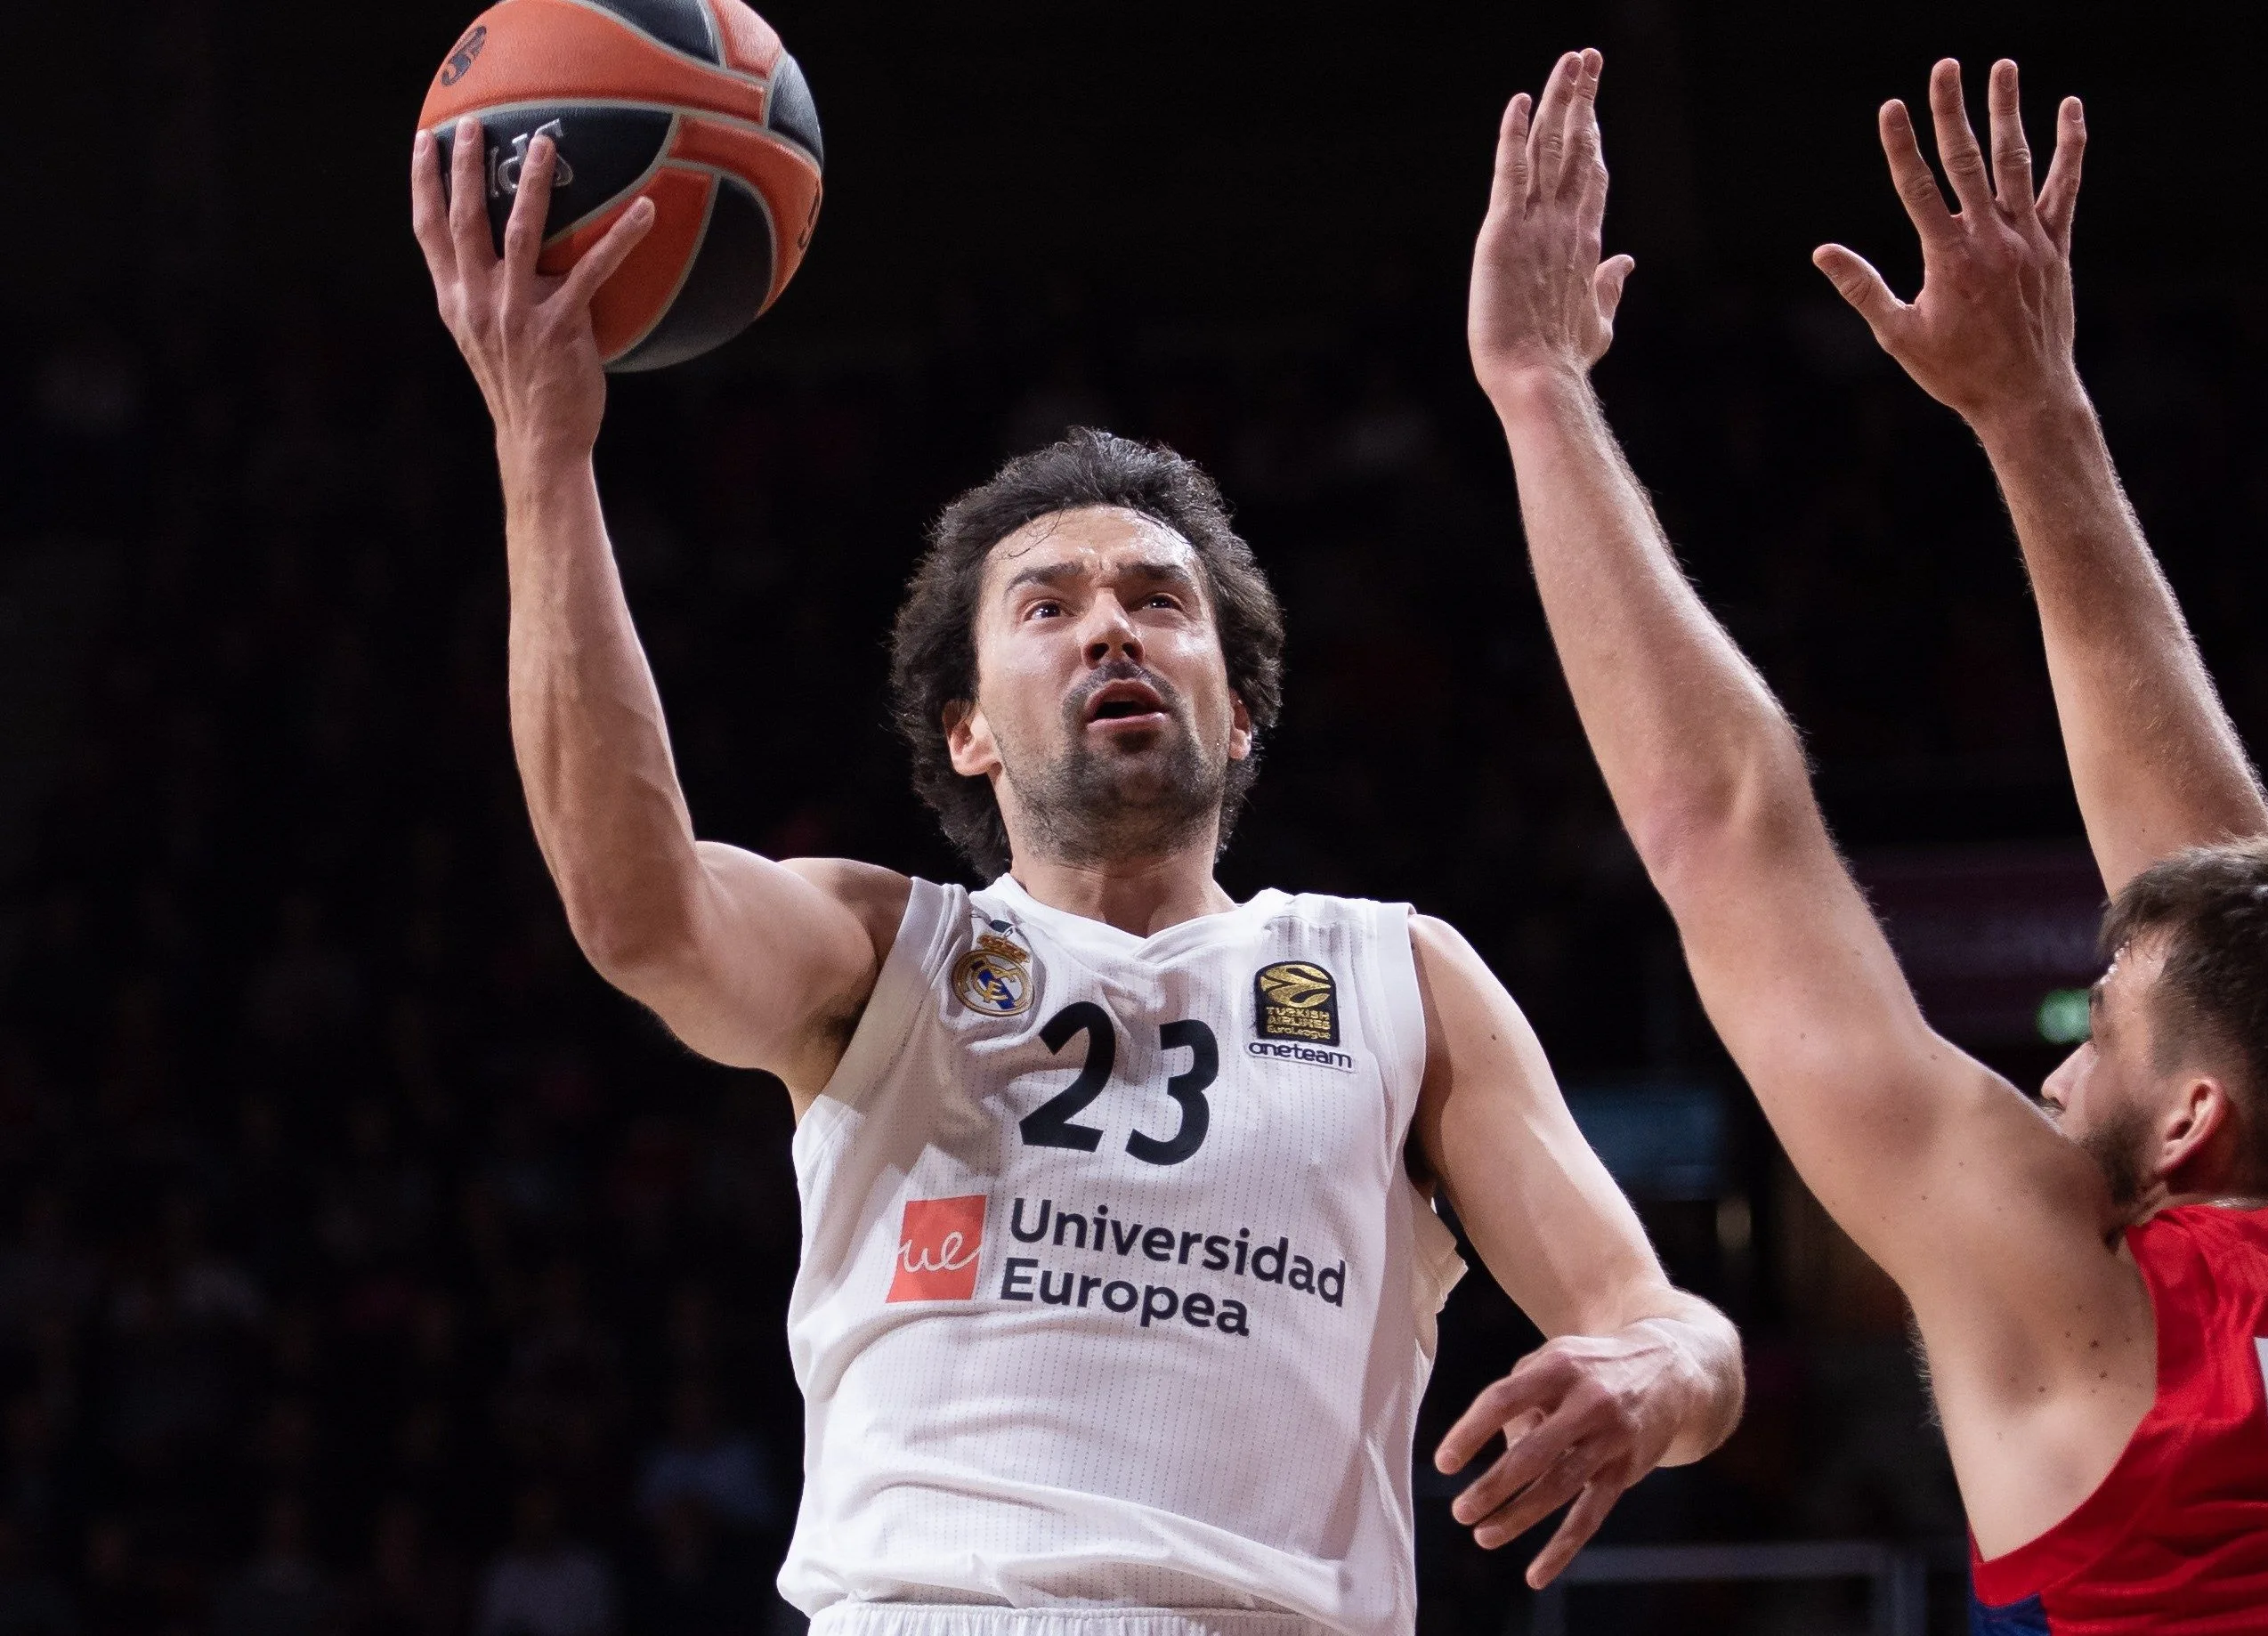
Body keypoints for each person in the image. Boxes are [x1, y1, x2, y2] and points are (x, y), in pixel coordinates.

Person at [404, 112, 1740, 1636]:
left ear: (1239, 712)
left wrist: (1665, 1372)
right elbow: (634, 905)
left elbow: (1663, 1321)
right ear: (966, 730)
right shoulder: (877, 947)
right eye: (1047, 604)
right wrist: (543, 454)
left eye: (1160, 601)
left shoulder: (1398, 976)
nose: (1112, 627)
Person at [1462, 49, 2268, 1631]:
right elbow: (2241, 911)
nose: (2056, 1070)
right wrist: (2029, 409)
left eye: (2098, 1027)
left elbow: (1727, 830)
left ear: (2194, 1120)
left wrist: (1537, 389)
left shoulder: (2091, 1306)